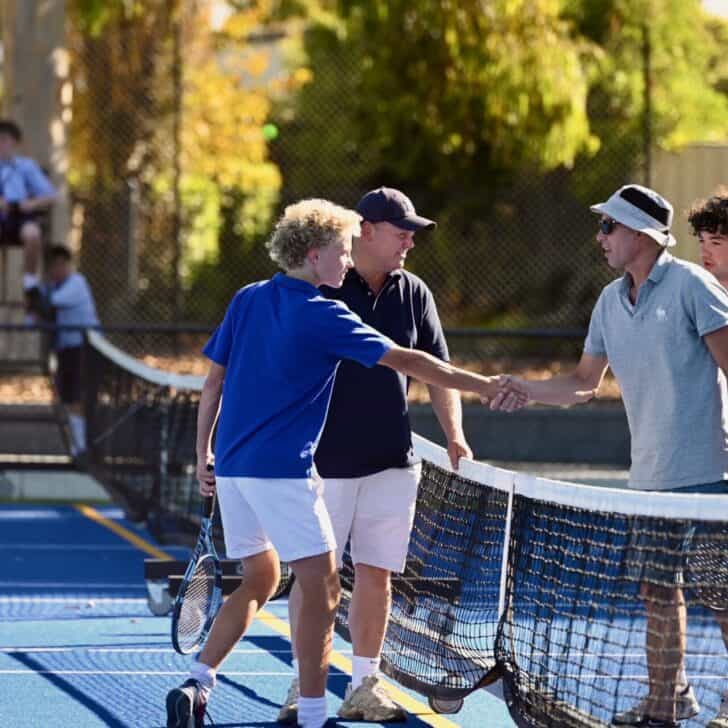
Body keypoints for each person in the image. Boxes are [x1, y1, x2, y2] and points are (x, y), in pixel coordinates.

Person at [164, 198, 527, 728]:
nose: (348, 260)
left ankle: (198, 682)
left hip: (235, 470)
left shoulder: (249, 297)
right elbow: (407, 359)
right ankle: (313, 715)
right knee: (323, 586)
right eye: (341, 251)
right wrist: (485, 385)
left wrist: (204, 454)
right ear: (314, 255)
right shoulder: (323, 312)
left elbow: (213, 382)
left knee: (261, 578)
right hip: (282, 470)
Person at [493, 184, 728, 728]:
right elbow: (582, 383)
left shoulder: (694, 286)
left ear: (641, 235)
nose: (600, 237)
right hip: (649, 477)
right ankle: (667, 701)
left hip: (710, 474)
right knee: (656, 591)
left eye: (609, 226)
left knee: (722, 595)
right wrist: (526, 389)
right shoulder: (607, 301)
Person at [278, 187, 472, 723]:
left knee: (377, 574)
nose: (410, 241)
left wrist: (455, 435)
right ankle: (302, 683)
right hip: (323, 462)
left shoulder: (415, 292)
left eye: (412, 233)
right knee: (314, 579)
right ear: (365, 230)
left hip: (393, 461)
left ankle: (364, 685)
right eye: (400, 232)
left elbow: (438, 371)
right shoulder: (322, 286)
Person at [686, 188, 728, 728]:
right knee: (719, 588)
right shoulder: (700, 297)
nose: (705, 250)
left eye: (717, 240)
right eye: (702, 239)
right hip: (712, 469)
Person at [42, 244, 99, 459]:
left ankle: (81, 449)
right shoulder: (55, 287)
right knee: (67, 398)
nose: (56, 270)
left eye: (60, 264)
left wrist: (33, 290)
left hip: (83, 349)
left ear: (68, 264)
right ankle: (77, 446)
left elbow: (49, 301)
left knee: (77, 397)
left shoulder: (77, 283)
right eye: (52, 266)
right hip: (65, 349)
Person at [0, 120, 57, 298]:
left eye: (4, 139)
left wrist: (31, 204)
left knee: (32, 234)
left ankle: (30, 283)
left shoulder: (26, 166)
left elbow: (51, 196)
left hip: (21, 216)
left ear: (15, 142)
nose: (1, 144)